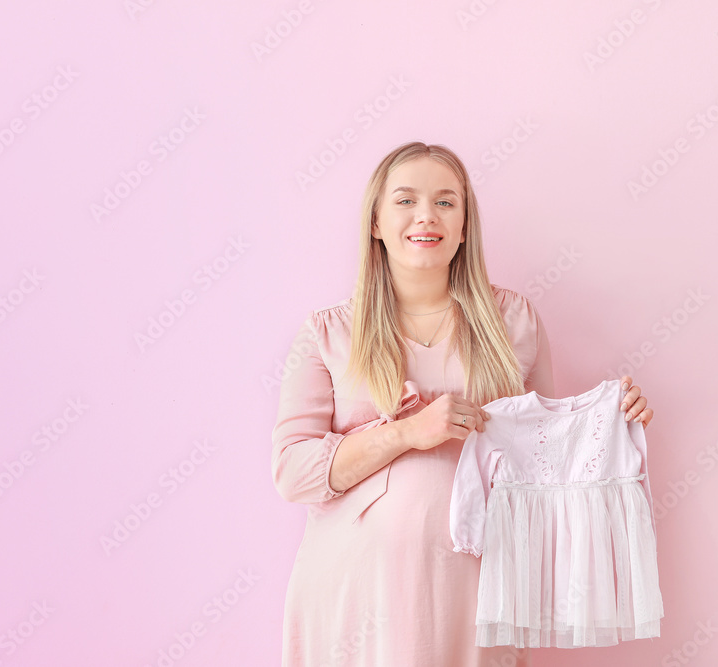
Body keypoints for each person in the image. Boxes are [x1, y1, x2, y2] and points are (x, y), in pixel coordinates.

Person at [271, 141, 654, 666]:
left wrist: (607, 420)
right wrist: (406, 433)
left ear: (465, 224)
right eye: (405, 200)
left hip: (476, 593)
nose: (426, 216)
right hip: (355, 596)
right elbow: (292, 472)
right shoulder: (328, 333)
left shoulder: (514, 321)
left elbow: (542, 463)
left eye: (446, 202)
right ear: (376, 222)